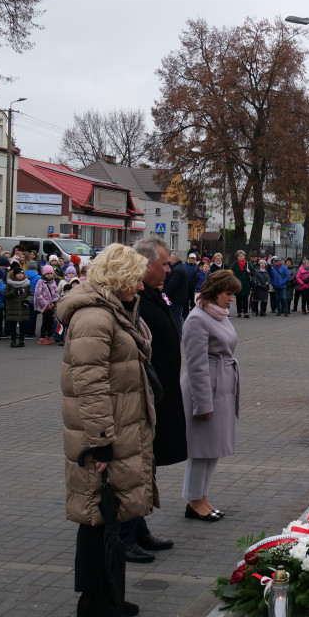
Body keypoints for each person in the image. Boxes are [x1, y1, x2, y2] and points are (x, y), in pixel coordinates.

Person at [58, 243, 155, 617]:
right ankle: (96, 602)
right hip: (101, 434)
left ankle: (107, 596)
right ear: (119, 278)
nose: (141, 287)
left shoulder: (110, 311)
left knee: (106, 516)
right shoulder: (94, 318)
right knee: (97, 517)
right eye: (135, 280)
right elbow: (90, 383)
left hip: (115, 427)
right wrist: (100, 440)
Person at [124, 235, 184, 562]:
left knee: (149, 463)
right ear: (145, 265)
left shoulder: (154, 295)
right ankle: (128, 531)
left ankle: (139, 525)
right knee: (136, 466)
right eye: (163, 264)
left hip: (160, 393)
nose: (168, 270)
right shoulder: (134, 300)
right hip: (141, 396)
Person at [181, 269, 242, 521]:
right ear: (215, 292)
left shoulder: (218, 314)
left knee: (213, 448)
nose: (231, 299)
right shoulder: (198, 318)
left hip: (222, 387)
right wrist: (202, 403)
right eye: (228, 294)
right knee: (200, 449)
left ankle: (203, 497)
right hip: (206, 389)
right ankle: (194, 501)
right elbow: (195, 365)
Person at [2, 263, 32, 348]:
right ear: (15, 275)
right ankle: (13, 340)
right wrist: (14, 293)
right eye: (19, 274)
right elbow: (4, 294)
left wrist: (27, 301)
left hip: (23, 307)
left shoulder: (26, 284)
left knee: (22, 326)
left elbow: (30, 294)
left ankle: (21, 340)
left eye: (22, 273)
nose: (21, 275)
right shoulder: (10, 284)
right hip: (13, 308)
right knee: (13, 326)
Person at [34, 265, 61, 345]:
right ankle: (42, 337)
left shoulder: (53, 282)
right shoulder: (40, 282)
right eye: (47, 274)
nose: (49, 275)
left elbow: (56, 292)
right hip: (44, 306)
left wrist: (54, 301)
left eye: (50, 273)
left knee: (50, 321)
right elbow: (38, 294)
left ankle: (49, 336)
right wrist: (45, 304)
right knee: (45, 321)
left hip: (52, 304)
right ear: (44, 274)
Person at [163, 253, 189, 331]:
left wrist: (165, 296)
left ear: (175, 259)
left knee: (176, 318)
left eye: (170, 258)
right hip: (180, 298)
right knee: (178, 316)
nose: (169, 260)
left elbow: (172, 285)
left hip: (176, 299)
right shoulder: (181, 268)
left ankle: (178, 334)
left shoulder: (176, 270)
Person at [227, 250, 252, 319]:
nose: (240, 257)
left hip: (246, 284)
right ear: (237, 257)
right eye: (239, 256)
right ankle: (239, 312)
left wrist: (249, 271)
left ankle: (246, 313)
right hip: (237, 284)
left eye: (242, 256)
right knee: (238, 299)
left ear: (244, 256)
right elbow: (231, 272)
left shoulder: (248, 264)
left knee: (245, 299)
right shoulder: (235, 264)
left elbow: (253, 273)